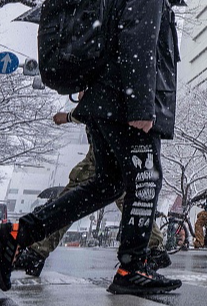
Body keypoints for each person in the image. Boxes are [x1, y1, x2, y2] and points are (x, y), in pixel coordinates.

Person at [0, 0, 204, 295]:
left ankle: (18, 233)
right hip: (127, 111)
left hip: (109, 109)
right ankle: (132, 268)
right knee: (145, 180)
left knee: (107, 185)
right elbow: (138, 48)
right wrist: (141, 108)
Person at [13, 110, 171, 278]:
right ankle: (154, 248)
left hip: (108, 137)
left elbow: (102, 102)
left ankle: (37, 250)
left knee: (79, 190)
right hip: (111, 136)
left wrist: (69, 116)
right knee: (122, 194)